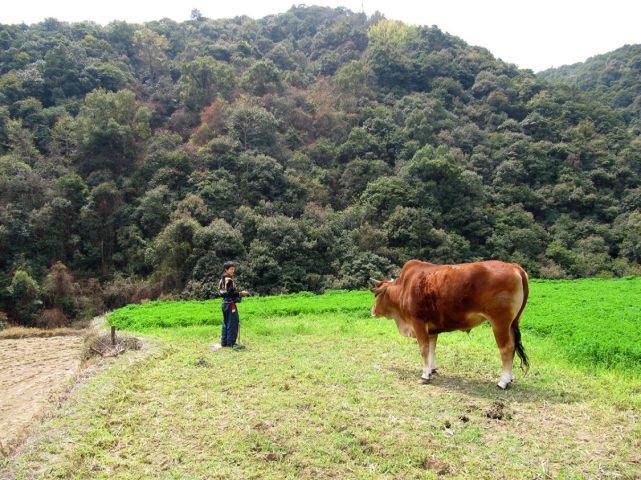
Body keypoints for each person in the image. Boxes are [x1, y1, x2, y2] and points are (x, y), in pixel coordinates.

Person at [217, 260, 250, 350]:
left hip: (224, 304)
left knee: (226, 322)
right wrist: (241, 294)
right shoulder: (229, 280)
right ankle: (232, 343)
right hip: (230, 305)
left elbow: (221, 292)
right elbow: (231, 293)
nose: (232, 271)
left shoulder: (221, 280)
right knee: (233, 323)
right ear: (226, 270)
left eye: (233, 269)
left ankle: (224, 342)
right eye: (231, 269)